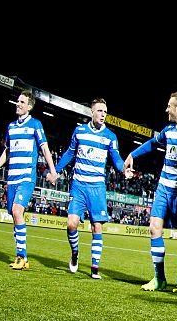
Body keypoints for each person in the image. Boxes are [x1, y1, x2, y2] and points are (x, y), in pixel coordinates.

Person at [124, 92, 177, 293]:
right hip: (163, 187)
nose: (166, 109)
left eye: (169, 106)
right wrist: (132, 155)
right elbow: (153, 143)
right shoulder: (168, 130)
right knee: (154, 229)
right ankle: (159, 278)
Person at [52, 98, 125, 279]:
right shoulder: (80, 131)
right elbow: (70, 152)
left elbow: (116, 160)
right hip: (78, 185)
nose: (103, 115)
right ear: (91, 112)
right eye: (100, 111)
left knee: (97, 227)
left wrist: (125, 169)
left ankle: (94, 269)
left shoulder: (110, 137)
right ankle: (75, 254)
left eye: (105, 112)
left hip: (97, 187)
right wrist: (56, 170)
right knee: (71, 224)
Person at [0, 89, 58, 269]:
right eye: (17, 101)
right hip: (11, 179)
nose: (17, 104)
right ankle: (23, 258)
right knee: (15, 215)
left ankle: (21, 257)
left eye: (21, 102)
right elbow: (7, 151)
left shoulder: (35, 124)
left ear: (30, 106)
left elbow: (44, 149)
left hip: (26, 177)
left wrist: (52, 171)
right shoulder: (11, 127)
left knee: (17, 211)